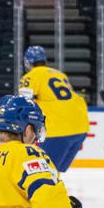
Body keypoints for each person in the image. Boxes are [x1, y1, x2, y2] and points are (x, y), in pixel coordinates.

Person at [19, 45, 89, 173]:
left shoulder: (30, 76)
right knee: (55, 170)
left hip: (58, 129)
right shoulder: (59, 74)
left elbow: (24, 103)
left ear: (27, 62)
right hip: (81, 127)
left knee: (43, 171)